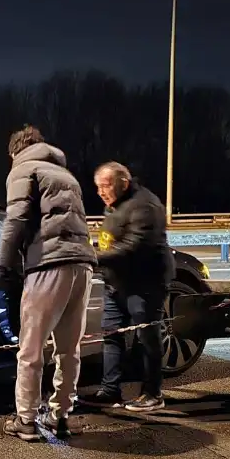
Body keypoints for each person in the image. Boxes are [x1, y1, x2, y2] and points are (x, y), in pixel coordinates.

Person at [0, 125, 97, 442]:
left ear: (15, 151)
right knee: (69, 349)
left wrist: (4, 264)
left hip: (48, 264)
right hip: (83, 264)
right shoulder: (65, 174)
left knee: (31, 347)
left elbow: (17, 218)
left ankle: (25, 419)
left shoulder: (24, 168)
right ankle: (62, 416)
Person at [80, 161, 174, 412]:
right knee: (111, 336)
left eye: (106, 185)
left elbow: (135, 246)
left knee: (146, 338)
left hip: (144, 284)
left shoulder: (145, 204)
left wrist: (94, 257)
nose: (101, 192)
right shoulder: (115, 205)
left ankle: (153, 393)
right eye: (98, 187)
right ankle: (110, 390)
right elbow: (111, 240)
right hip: (116, 283)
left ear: (124, 181)